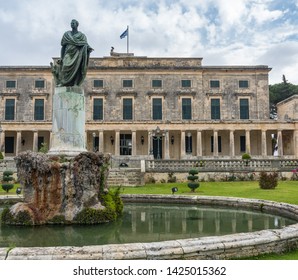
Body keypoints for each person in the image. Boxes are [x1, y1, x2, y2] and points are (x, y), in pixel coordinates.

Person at [58, 19, 93, 87]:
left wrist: (88, 48)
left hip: (78, 54)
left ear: (77, 24)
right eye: (71, 23)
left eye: (73, 23)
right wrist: (61, 58)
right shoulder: (66, 34)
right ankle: (63, 82)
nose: (72, 24)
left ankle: (75, 83)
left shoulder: (82, 36)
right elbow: (63, 47)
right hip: (68, 53)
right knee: (64, 67)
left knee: (77, 69)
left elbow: (85, 44)